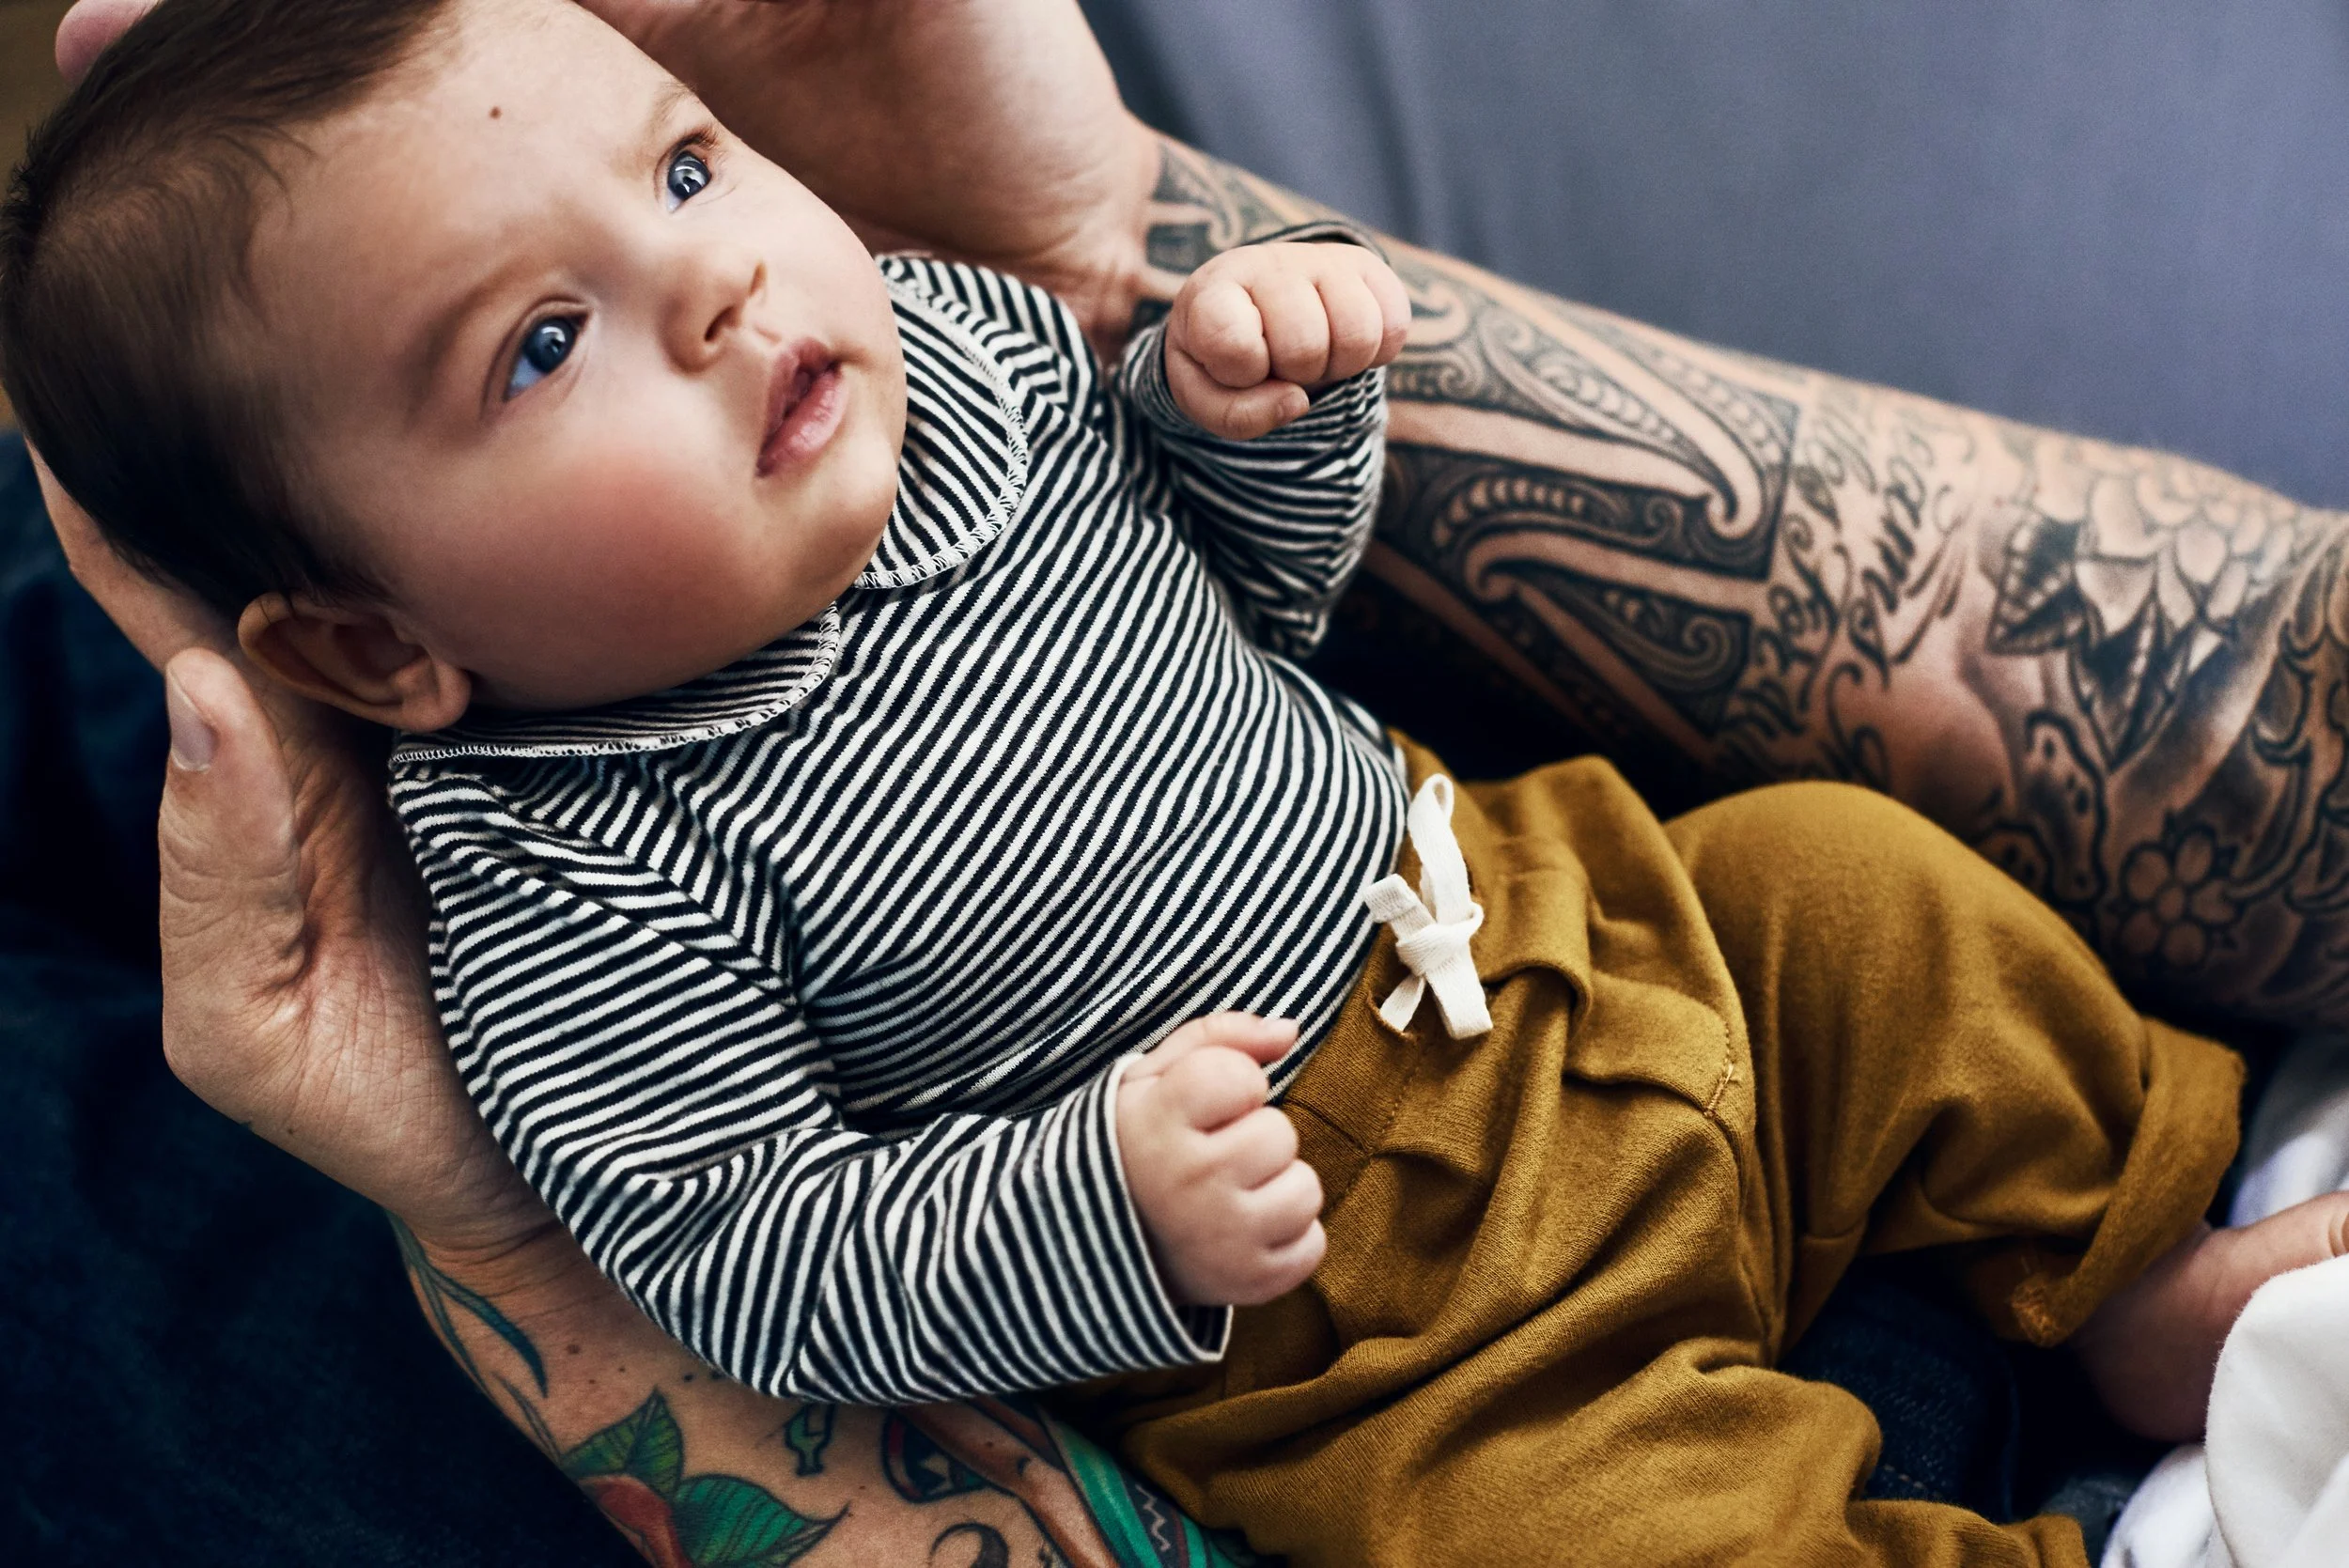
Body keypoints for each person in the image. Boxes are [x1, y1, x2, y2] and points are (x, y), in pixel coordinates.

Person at [36, 0, 2349, 1563]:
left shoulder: (934, 357)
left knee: (1864, 900)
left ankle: (2133, 1266)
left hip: (1577, 930)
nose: (722, 280)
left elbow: (1256, 600)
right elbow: (755, 1254)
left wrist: (1256, 414)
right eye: (540, 346)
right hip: (1391, 1343)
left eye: (684, 161)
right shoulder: (564, 864)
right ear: (370, 649)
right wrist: (1095, 1203)